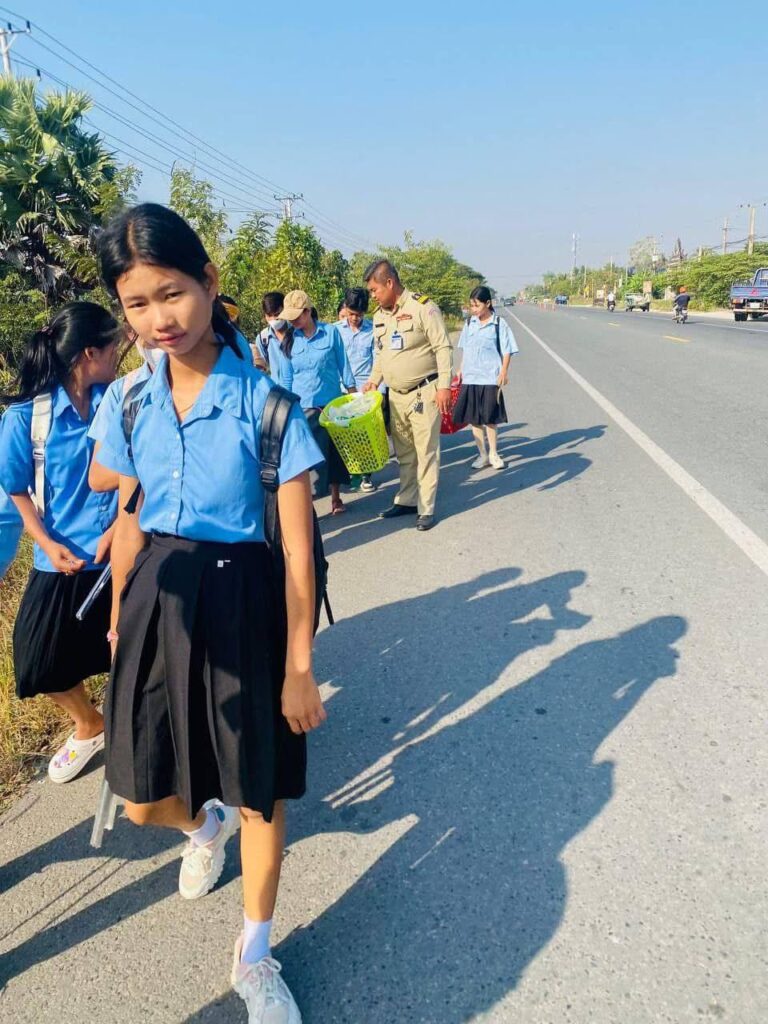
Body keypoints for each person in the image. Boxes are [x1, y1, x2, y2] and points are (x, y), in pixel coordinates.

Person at [95, 202, 325, 1023]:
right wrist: (120, 620)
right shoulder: (128, 402)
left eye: (172, 293)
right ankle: (203, 828)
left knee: (260, 789)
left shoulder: (268, 408)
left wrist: (300, 667)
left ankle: (254, 954)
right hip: (157, 599)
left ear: (209, 282)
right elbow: (129, 517)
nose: (159, 318)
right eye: (138, 303)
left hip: (243, 600)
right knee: (142, 794)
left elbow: (296, 552)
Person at [0, 302, 120, 783]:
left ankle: (154, 735)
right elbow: (16, 488)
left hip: (124, 551)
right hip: (64, 558)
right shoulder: (27, 417)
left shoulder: (120, 400)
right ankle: (90, 723)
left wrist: (120, 527)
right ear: (89, 353)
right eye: (112, 347)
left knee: (142, 652)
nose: (118, 355)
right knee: (37, 662)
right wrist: (47, 545)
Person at [362, 259, 452, 532]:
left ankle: (426, 508)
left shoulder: (422, 307)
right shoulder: (380, 316)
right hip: (396, 396)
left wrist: (444, 386)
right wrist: (373, 380)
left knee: (426, 452)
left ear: (390, 283)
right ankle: (407, 499)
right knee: (404, 453)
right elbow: (381, 354)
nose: (372, 296)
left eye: (375, 290)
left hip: (424, 392)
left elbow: (443, 347)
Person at [280, 289, 356, 515]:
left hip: (332, 405)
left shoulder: (330, 333)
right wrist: (285, 410)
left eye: (297, 316)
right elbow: (286, 379)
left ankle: (335, 498)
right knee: (306, 459)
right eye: (290, 317)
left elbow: (344, 366)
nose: (293, 321)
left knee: (334, 455)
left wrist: (353, 396)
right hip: (303, 408)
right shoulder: (289, 341)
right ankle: (308, 507)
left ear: (308, 311)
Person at [453, 286, 518, 470]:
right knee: (474, 419)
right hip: (471, 377)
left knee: (490, 418)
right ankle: (482, 454)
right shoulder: (469, 323)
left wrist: (503, 372)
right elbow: (466, 349)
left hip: (490, 377)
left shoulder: (499, 324)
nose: (473, 309)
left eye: (477, 305)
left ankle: (493, 454)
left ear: (488, 303)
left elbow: (507, 350)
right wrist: (461, 370)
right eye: (471, 305)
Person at [337, 286, 378, 493]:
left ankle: (366, 475)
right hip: (341, 391)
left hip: (365, 390)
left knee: (364, 436)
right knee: (344, 436)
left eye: (359, 315)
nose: (355, 318)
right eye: (352, 313)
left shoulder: (373, 330)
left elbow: (378, 361)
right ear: (345, 308)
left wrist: (376, 389)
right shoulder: (335, 331)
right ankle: (350, 472)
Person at [256, 292, 293, 383]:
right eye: (269, 316)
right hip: (278, 387)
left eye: (277, 314)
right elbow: (260, 369)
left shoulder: (297, 333)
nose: (273, 319)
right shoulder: (263, 338)